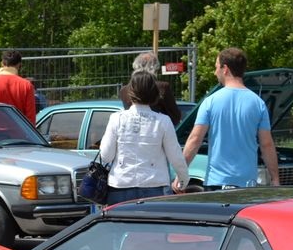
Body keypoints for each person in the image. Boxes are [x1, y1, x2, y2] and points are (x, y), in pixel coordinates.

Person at [177, 47, 278, 191]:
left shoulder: (210, 102)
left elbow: (195, 139)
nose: (215, 72)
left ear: (225, 69)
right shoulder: (258, 103)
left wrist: (181, 173)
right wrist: (275, 179)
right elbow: (266, 144)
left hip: (216, 182)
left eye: (216, 67)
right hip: (247, 184)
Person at [98, 69, 187, 204]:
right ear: (154, 93)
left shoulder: (117, 118)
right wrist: (183, 180)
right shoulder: (163, 121)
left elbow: (106, 156)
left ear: (130, 92)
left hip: (120, 186)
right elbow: (176, 157)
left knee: (120, 225)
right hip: (154, 186)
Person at [122, 50, 181, 125]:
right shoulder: (162, 87)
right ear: (155, 68)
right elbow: (175, 116)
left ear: (135, 66)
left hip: (132, 129)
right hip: (158, 129)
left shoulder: (124, 90)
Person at [0, 49, 37, 123]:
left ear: (2, 63)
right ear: (19, 64)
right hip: (20, 132)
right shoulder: (27, 85)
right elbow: (31, 117)